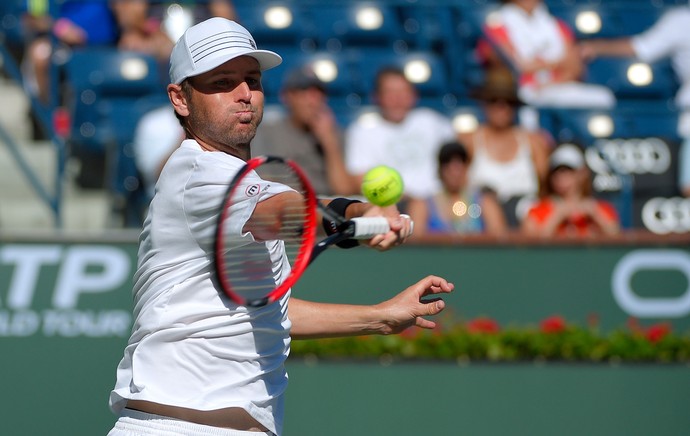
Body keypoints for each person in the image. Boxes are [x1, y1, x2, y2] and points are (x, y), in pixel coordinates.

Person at [108, 17, 454, 436]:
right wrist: (357, 216)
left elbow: (270, 313)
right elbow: (283, 212)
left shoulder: (242, 181)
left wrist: (381, 317)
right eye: (221, 82)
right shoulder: (197, 172)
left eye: (251, 80)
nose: (243, 94)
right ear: (180, 99)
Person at [344, 66, 456, 202]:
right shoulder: (362, 131)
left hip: (437, 206)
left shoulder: (431, 121)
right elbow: (359, 179)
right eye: (390, 92)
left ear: (414, 96)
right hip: (391, 206)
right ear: (376, 97)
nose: (398, 99)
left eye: (403, 92)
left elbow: (459, 151)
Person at [479, 0, 616, 109]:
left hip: (557, 86)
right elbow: (517, 66)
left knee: (603, 97)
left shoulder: (557, 25)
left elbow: (575, 67)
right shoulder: (497, 25)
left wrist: (547, 76)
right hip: (521, 91)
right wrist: (558, 63)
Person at [459, 68, 550, 228]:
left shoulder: (534, 142)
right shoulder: (469, 140)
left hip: (526, 219)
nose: (502, 107)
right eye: (494, 101)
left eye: (508, 102)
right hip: (480, 218)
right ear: (484, 104)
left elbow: (545, 188)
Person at [251, 66, 358, 196]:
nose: (313, 101)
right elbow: (262, 187)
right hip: (288, 208)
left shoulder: (337, 134)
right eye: (304, 92)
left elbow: (344, 191)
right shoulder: (267, 133)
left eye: (319, 92)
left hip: (329, 208)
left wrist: (330, 144)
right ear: (286, 96)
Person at [22, 0, 119, 105]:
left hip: (109, 47)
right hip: (63, 47)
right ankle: (49, 114)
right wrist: (59, 28)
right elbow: (31, 18)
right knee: (41, 53)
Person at [407, 141, 508, 237]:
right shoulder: (422, 206)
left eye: (458, 167)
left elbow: (498, 237)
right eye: (449, 168)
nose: (454, 174)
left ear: (466, 169)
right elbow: (416, 240)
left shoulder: (485, 203)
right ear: (440, 170)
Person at [521, 143, 620, 237]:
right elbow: (532, 246)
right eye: (556, 172)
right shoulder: (537, 211)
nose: (561, 177)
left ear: (582, 173)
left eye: (568, 171)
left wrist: (595, 214)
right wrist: (557, 216)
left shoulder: (601, 209)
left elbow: (617, 237)